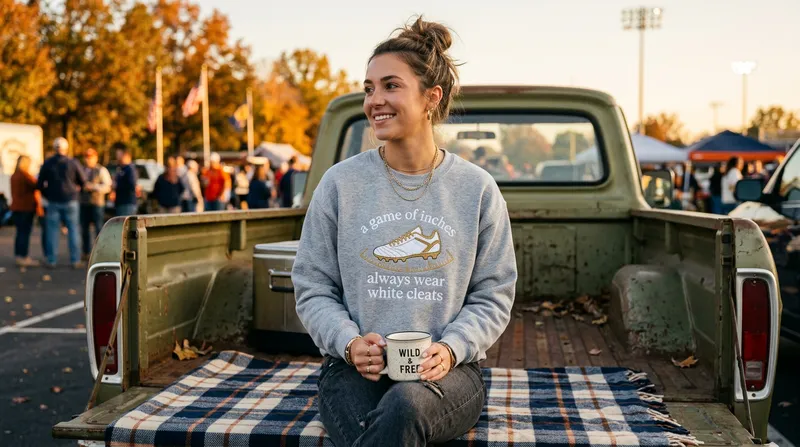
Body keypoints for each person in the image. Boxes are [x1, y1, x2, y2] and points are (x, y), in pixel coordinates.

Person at [292, 17, 517, 447]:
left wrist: (451, 348)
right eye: (369, 88)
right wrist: (349, 342)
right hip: (352, 369)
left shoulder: (476, 189)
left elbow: (494, 292)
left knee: (405, 408)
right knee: (389, 423)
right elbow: (313, 284)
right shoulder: (340, 184)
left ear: (431, 97)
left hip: (448, 374)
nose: (375, 100)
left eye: (390, 86)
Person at [37, 137, 86, 268]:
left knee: (52, 231)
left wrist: (48, 195)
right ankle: (75, 260)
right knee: (73, 230)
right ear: (66, 148)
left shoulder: (48, 163)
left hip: (53, 201)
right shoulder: (73, 162)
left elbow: (40, 184)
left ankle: (51, 260)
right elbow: (83, 181)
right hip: (70, 200)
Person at [79, 148, 112, 260]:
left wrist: (93, 187)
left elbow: (107, 186)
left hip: (97, 203)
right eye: (87, 157)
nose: (88, 160)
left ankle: (100, 252)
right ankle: (86, 252)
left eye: (91, 157)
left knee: (99, 228)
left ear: (96, 158)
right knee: (84, 229)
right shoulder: (81, 169)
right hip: (84, 203)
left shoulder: (101, 170)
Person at [10, 155, 42, 267]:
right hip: (25, 208)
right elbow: (37, 185)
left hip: (16, 207)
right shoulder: (24, 175)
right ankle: (23, 256)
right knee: (24, 233)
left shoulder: (14, 175)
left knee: (19, 233)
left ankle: (19, 255)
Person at [113, 148, 138, 216]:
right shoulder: (121, 168)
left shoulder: (130, 169)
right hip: (121, 202)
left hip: (127, 203)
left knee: (126, 225)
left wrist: (117, 185)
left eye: (120, 156)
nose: (118, 158)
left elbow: (132, 185)